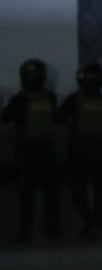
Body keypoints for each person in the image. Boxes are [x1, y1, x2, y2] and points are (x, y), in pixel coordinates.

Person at [2, 58, 61, 243]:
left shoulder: (21, 99)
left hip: (32, 150)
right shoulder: (48, 97)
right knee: (41, 195)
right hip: (37, 150)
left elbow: (6, 118)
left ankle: (30, 232)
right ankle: (47, 231)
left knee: (33, 196)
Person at [56, 63, 102, 239]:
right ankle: (92, 223)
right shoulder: (79, 100)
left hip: (91, 150)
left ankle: (93, 224)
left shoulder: (97, 100)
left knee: (94, 192)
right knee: (83, 191)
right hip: (85, 150)